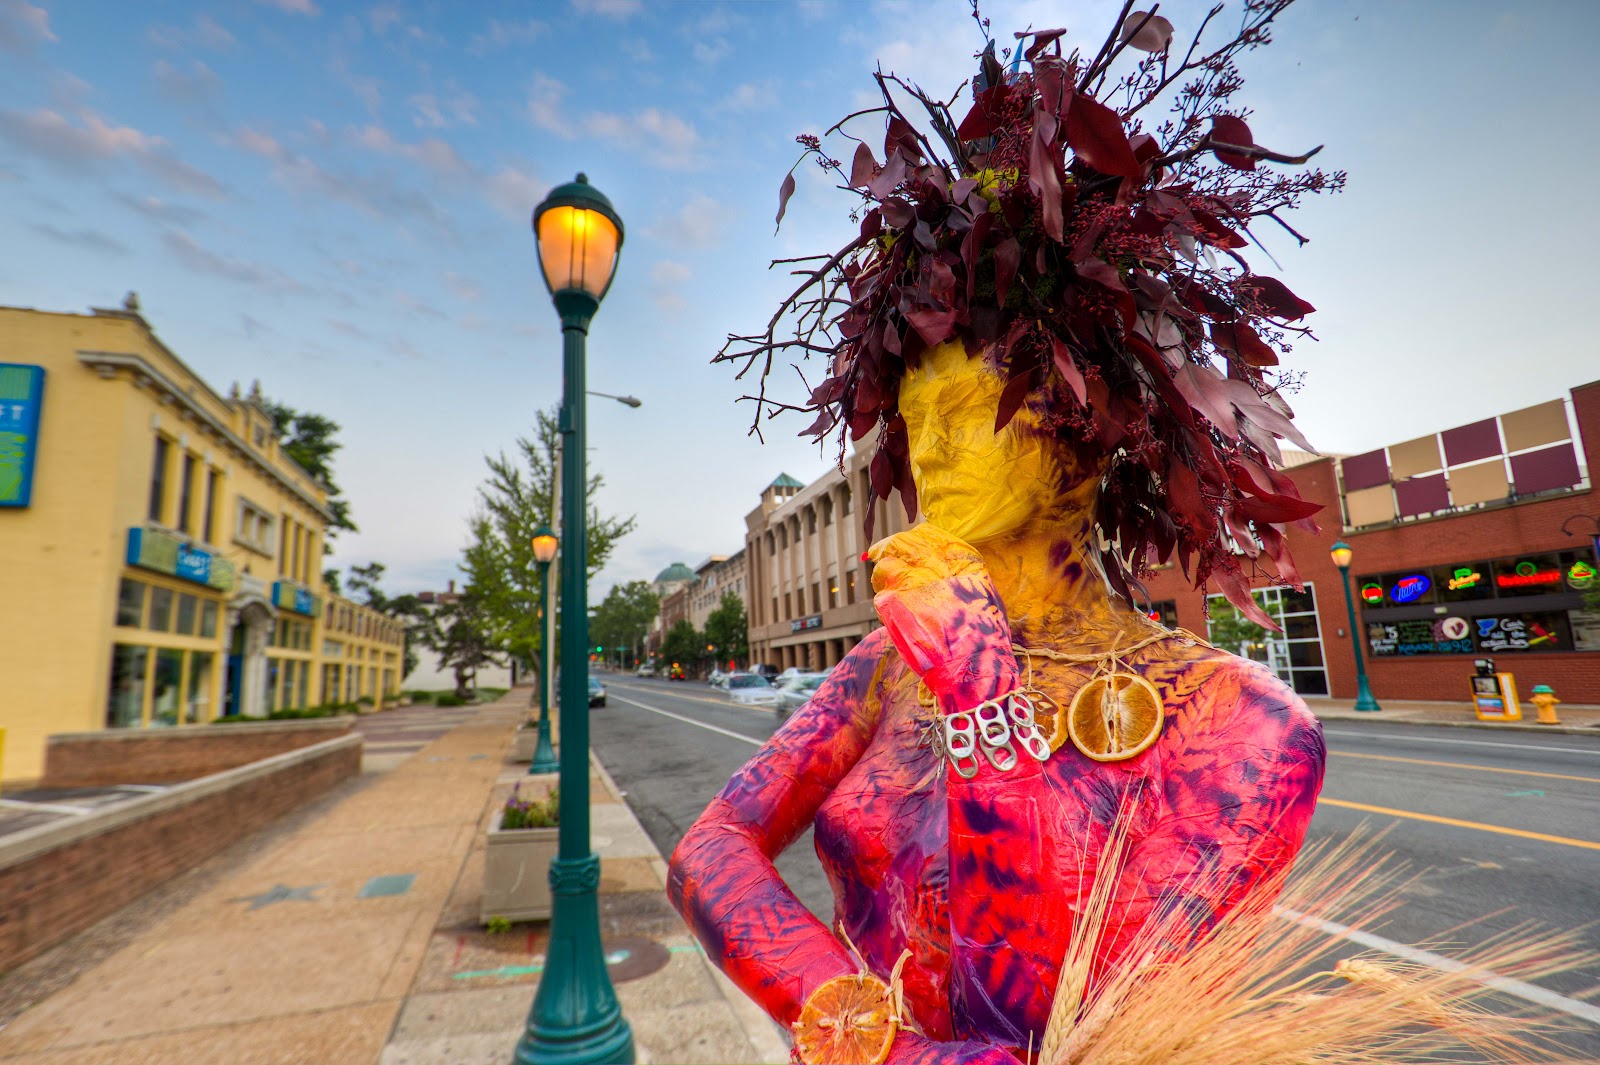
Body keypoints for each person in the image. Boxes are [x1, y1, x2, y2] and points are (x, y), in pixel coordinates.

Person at [669, 342, 1325, 1062]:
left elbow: (1057, 1033)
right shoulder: (888, 664)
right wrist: (857, 1030)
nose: (933, 451)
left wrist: (981, 694)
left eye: (965, 410)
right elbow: (709, 846)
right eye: (919, 421)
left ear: (1092, 428)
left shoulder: (1240, 720)